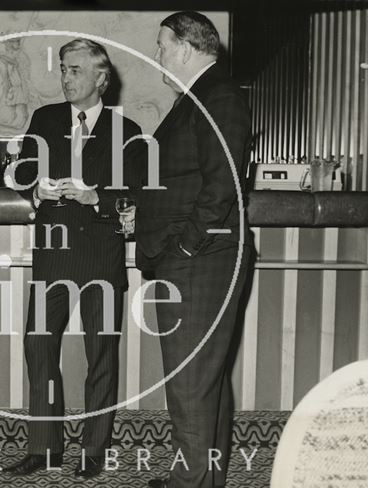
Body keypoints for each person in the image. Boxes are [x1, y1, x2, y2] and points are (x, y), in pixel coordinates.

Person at [3, 38, 145, 479]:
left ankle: (93, 450)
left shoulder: (128, 132)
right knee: (38, 346)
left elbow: (136, 192)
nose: (66, 78)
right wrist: (35, 188)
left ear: (101, 79)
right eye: (63, 69)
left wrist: (95, 196)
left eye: (76, 70)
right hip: (54, 253)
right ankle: (45, 448)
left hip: (101, 253)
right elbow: (22, 170)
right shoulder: (44, 119)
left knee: (101, 355)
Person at [132, 12, 253, 488]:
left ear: (184, 48)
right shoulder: (199, 98)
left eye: (161, 45)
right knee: (204, 384)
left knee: (189, 384)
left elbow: (221, 189)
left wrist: (183, 247)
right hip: (195, 258)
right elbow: (187, 181)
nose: (157, 54)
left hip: (200, 260)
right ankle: (204, 479)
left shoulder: (217, 96)